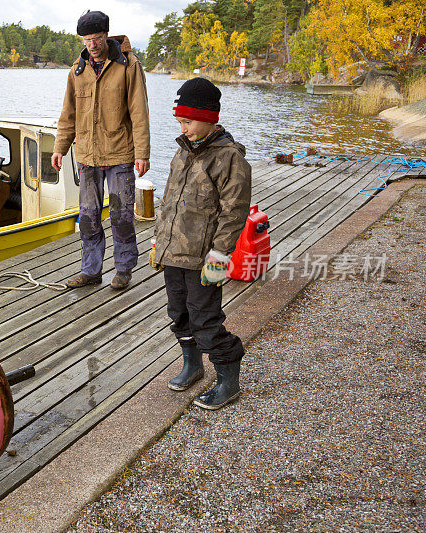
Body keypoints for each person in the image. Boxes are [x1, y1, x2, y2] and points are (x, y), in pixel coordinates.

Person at [149, 77, 251, 410]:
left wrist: (220, 256)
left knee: (205, 320)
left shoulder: (230, 159)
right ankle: (192, 366)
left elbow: (234, 212)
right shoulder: (182, 152)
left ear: (209, 118)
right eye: (180, 121)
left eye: (188, 121)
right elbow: (168, 202)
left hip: (205, 258)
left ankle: (227, 380)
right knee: (178, 314)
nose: (184, 128)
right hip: (173, 253)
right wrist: (157, 242)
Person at [51, 10, 150, 290]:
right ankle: (91, 270)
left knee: (121, 216)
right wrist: (60, 147)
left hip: (120, 154)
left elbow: (139, 112)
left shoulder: (128, 65)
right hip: (87, 157)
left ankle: (124, 269)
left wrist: (142, 153)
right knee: (88, 217)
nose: (92, 45)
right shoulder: (76, 71)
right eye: (86, 40)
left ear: (106, 35)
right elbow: (67, 114)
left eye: (96, 39)